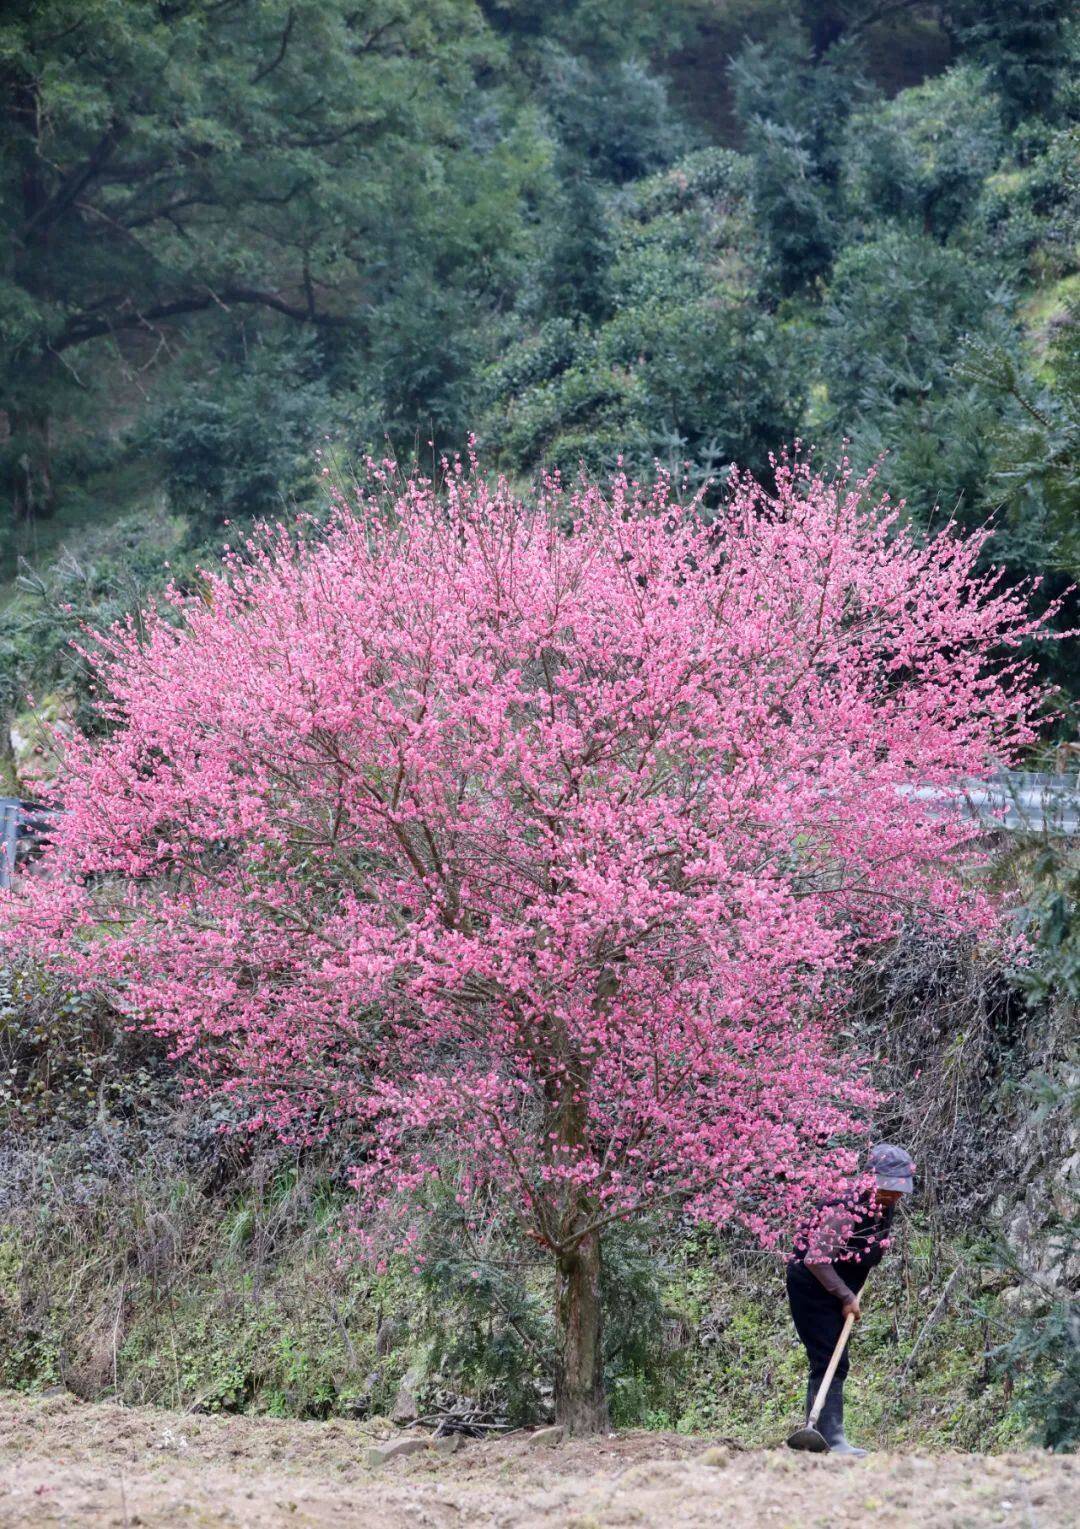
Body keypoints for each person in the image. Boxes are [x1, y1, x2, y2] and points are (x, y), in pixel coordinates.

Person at [786, 1142, 916, 1456]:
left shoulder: (883, 1205)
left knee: (831, 1358)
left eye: (899, 1189)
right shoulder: (846, 1208)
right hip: (813, 1285)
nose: (894, 1194)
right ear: (870, 1179)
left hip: (837, 1284)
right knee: (830, 1358)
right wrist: (846, 1296)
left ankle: (819, 1436)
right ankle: (830, 1438)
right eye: (888, 1188)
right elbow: (817, 1259)